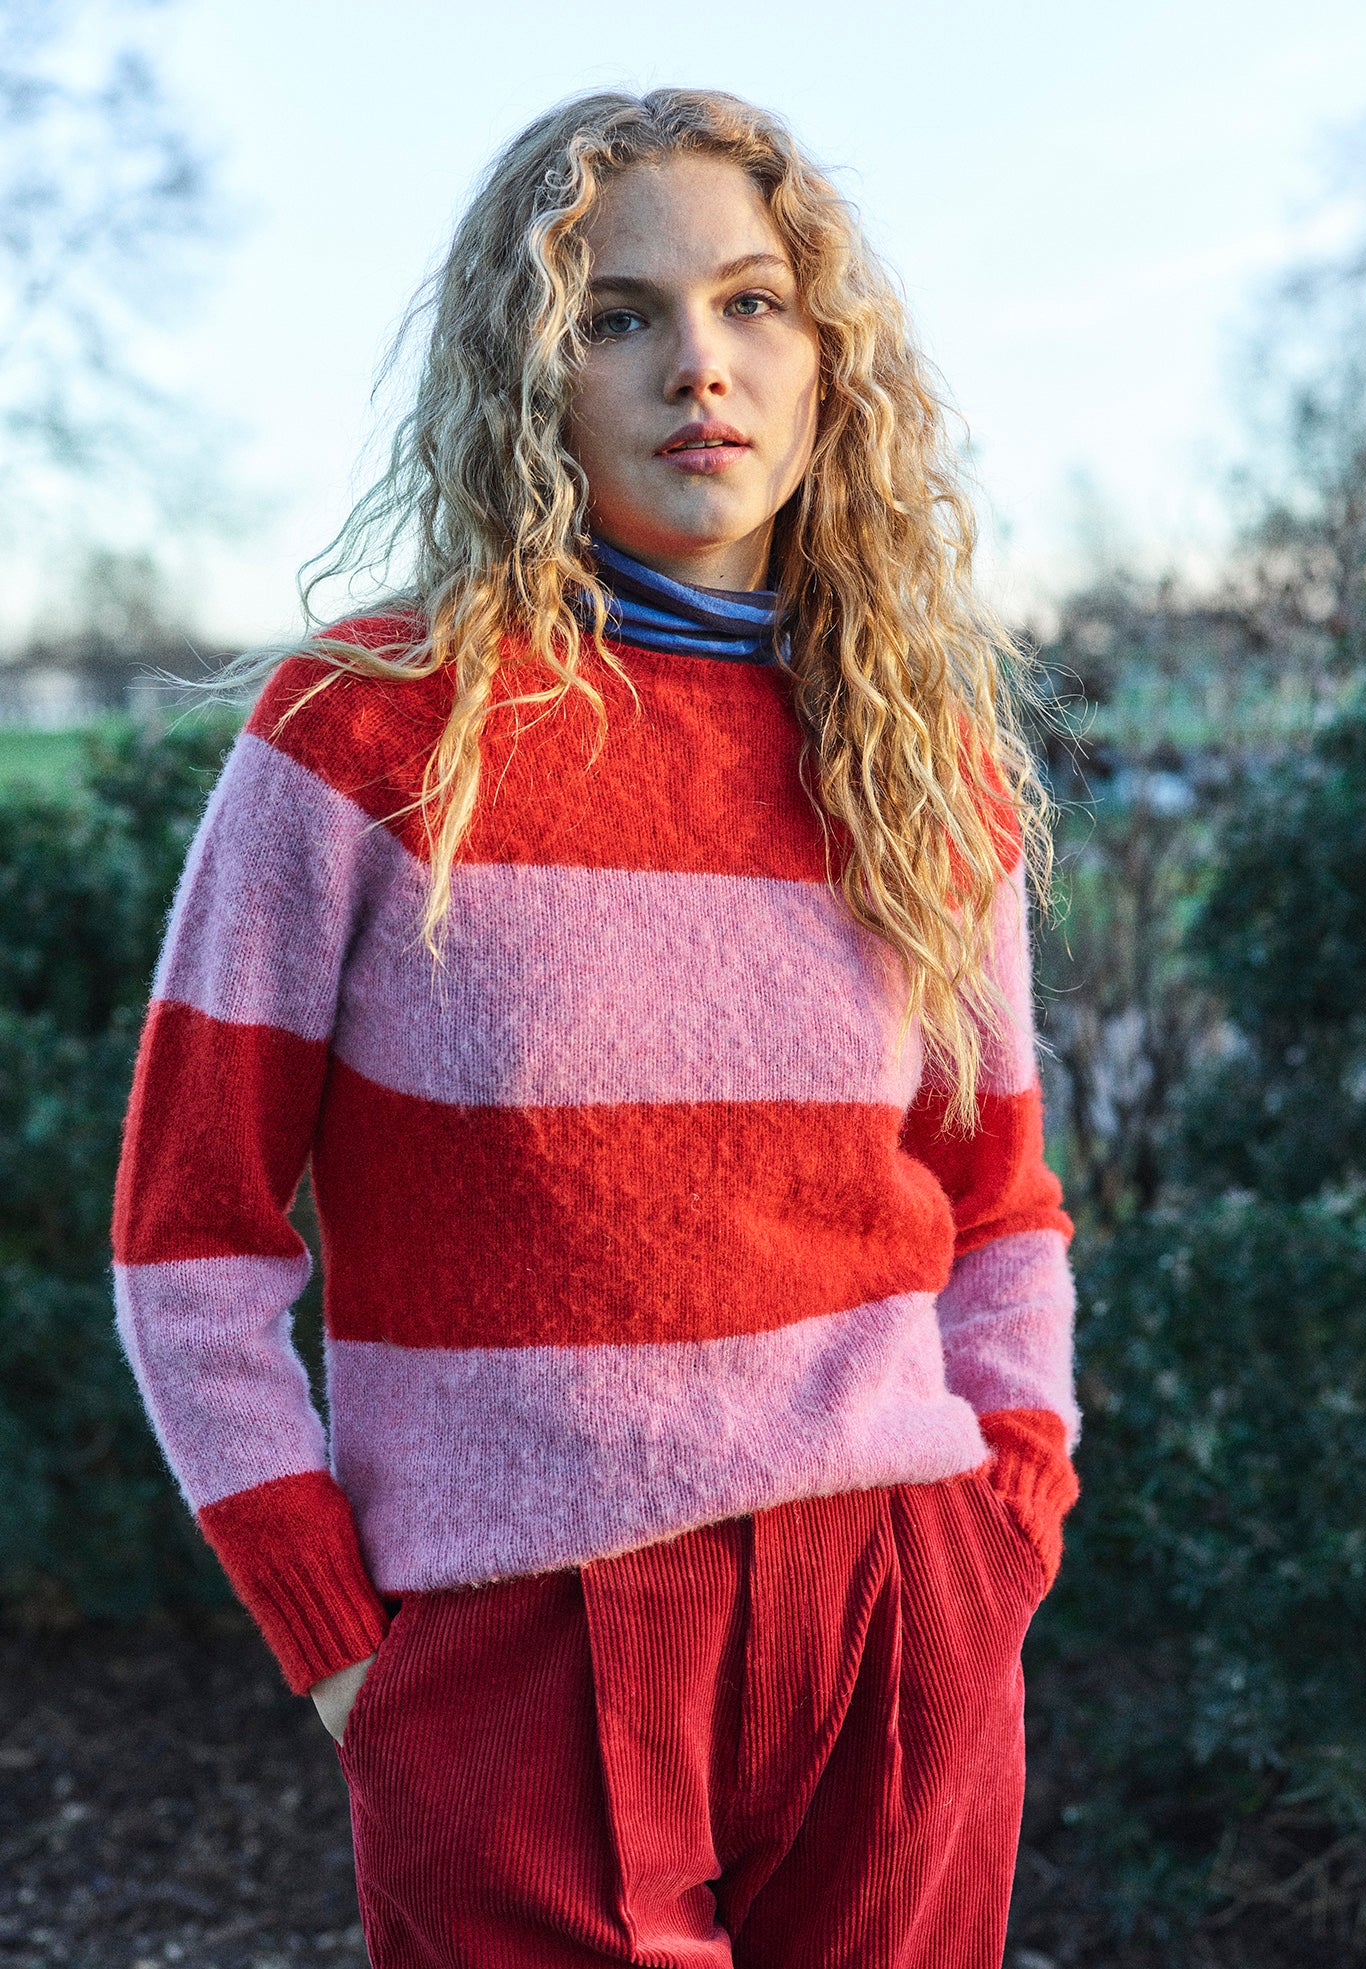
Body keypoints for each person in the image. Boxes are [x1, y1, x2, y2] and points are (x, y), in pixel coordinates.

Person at [112, 87, 1077, 1969]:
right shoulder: (368, 736)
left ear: (826, 366)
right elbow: (189, 1239)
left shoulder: (923, 767)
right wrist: (339, 1645)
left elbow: (998, 1200)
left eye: (749, 303)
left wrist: (1005, 1525)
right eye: (616, 315)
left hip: (895, 1611)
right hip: (511, 1649)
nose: (694, 365)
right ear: (528, 376)